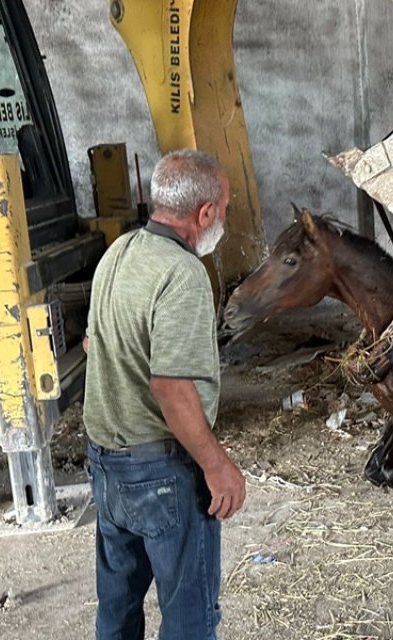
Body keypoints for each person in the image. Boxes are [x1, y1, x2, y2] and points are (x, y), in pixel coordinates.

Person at [83, 149, 246, 639]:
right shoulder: (183, 274)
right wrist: (217, 466)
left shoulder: (119, 252)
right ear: (205, 213)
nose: (225, 217)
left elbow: (94, 343)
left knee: (117, 611)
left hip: (107, 468)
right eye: (227, 207)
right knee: (189, 621)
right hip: (161, 475)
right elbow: (172, 388)